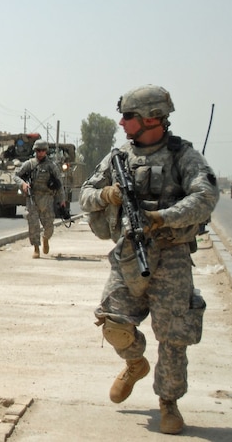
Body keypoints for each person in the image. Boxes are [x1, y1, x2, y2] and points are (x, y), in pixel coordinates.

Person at [79, 84, 218, 435]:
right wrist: (106, 194)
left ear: (152, 118)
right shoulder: (119, 158)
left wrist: (162, 218)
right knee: (113, 322)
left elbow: (205, 197)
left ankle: (168, 402)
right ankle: (135, 363)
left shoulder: (183, 156)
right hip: (129, 253)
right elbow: (85, 195)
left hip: (171, 256)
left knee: (173, 337)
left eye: (128, 116)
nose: (122, 123)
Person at [13, 139, 66, 258]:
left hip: (47, 199)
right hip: (33, 198)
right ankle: (36, 248)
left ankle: (45, 238)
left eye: (43, 150)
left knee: (49, 226)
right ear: (35, 151)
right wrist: (23, 184)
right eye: (38, 150)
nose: (40, 153)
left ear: (46, 151)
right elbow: (16, 175)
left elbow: (59, 184)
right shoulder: (29, 164)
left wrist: (62, 200)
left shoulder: (52, 166)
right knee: (33, 225)